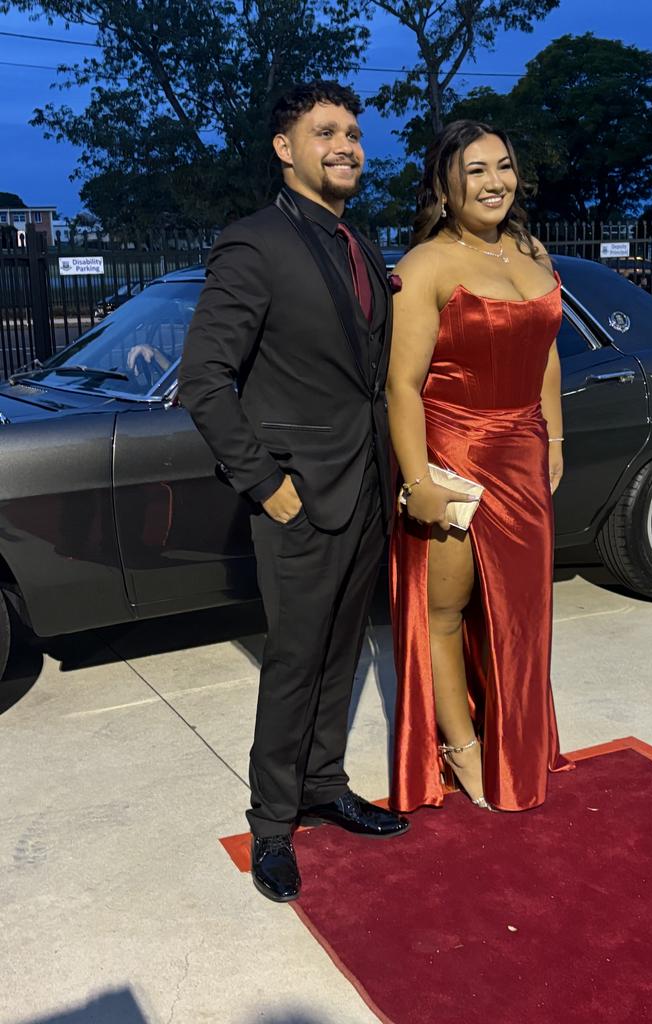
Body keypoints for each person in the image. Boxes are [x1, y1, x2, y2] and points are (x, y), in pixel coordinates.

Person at [178, 80, 408, 904]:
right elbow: (203, 380)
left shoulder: (358, 242)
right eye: (326, 133)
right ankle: (273, 822)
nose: (346, 145)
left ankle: (323, 783)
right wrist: (267, 485)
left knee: (340, 653)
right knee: (293, 661)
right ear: (286, 149)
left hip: (368, 487)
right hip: (300, 496)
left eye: (353, 131)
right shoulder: (255, 242)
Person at [386, 120, 573, 814]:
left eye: (503, 166)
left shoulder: (532, 251)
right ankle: (460, 745)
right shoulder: (425, 265)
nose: (494, 181)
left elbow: (548, 352)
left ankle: (519, 734)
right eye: (475, 171)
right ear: (444, 185)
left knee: (523, 614)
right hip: (453, 455)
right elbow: (401, 385)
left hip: (524, 452)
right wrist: (418, 481)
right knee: (446, 610)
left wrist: (553, 439)